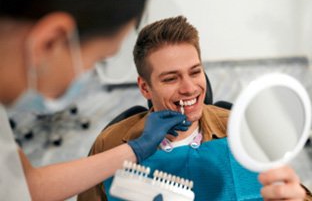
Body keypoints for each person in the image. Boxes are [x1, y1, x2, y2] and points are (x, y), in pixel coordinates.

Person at [78, 16, 312, 200]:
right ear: (145, 87)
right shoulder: (110, 144)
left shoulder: (243, 131)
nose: (190, 88)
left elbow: (293, 192)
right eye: (171, 78)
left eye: (195, 72)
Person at [0, 0, 190, 200]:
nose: (188, 88)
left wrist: (136, 150)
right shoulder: (110, 137)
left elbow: (26, 186)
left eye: (195, 72)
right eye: (98, 60)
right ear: (49, 42)